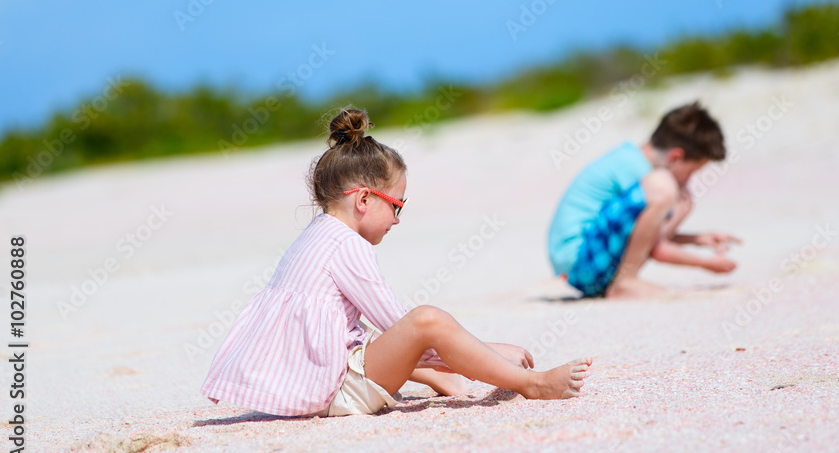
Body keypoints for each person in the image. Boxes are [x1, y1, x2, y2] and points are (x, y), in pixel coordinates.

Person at [201, 107, 591, 418]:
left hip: (304, 377)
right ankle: (534, 384)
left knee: (381, 336)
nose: (398, 219)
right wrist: (490, 352)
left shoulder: (316, 235)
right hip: (330, 390)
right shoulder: (347, 246)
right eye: (397, 205)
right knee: (428, 320)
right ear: (364, 200)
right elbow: (404, 326)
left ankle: (445, 378)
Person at [548, 101, 742, 300]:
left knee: (665, 189)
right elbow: (658, 248)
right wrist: (706, 264)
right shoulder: (639, 170)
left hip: (585, 265)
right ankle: (626, 283)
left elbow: (643, 236)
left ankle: (625, 281)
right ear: (675, 157)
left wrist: (697, 239)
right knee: (664, 185)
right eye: (691, 171)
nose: (688, 180)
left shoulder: (631, 160)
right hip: (582, 260)